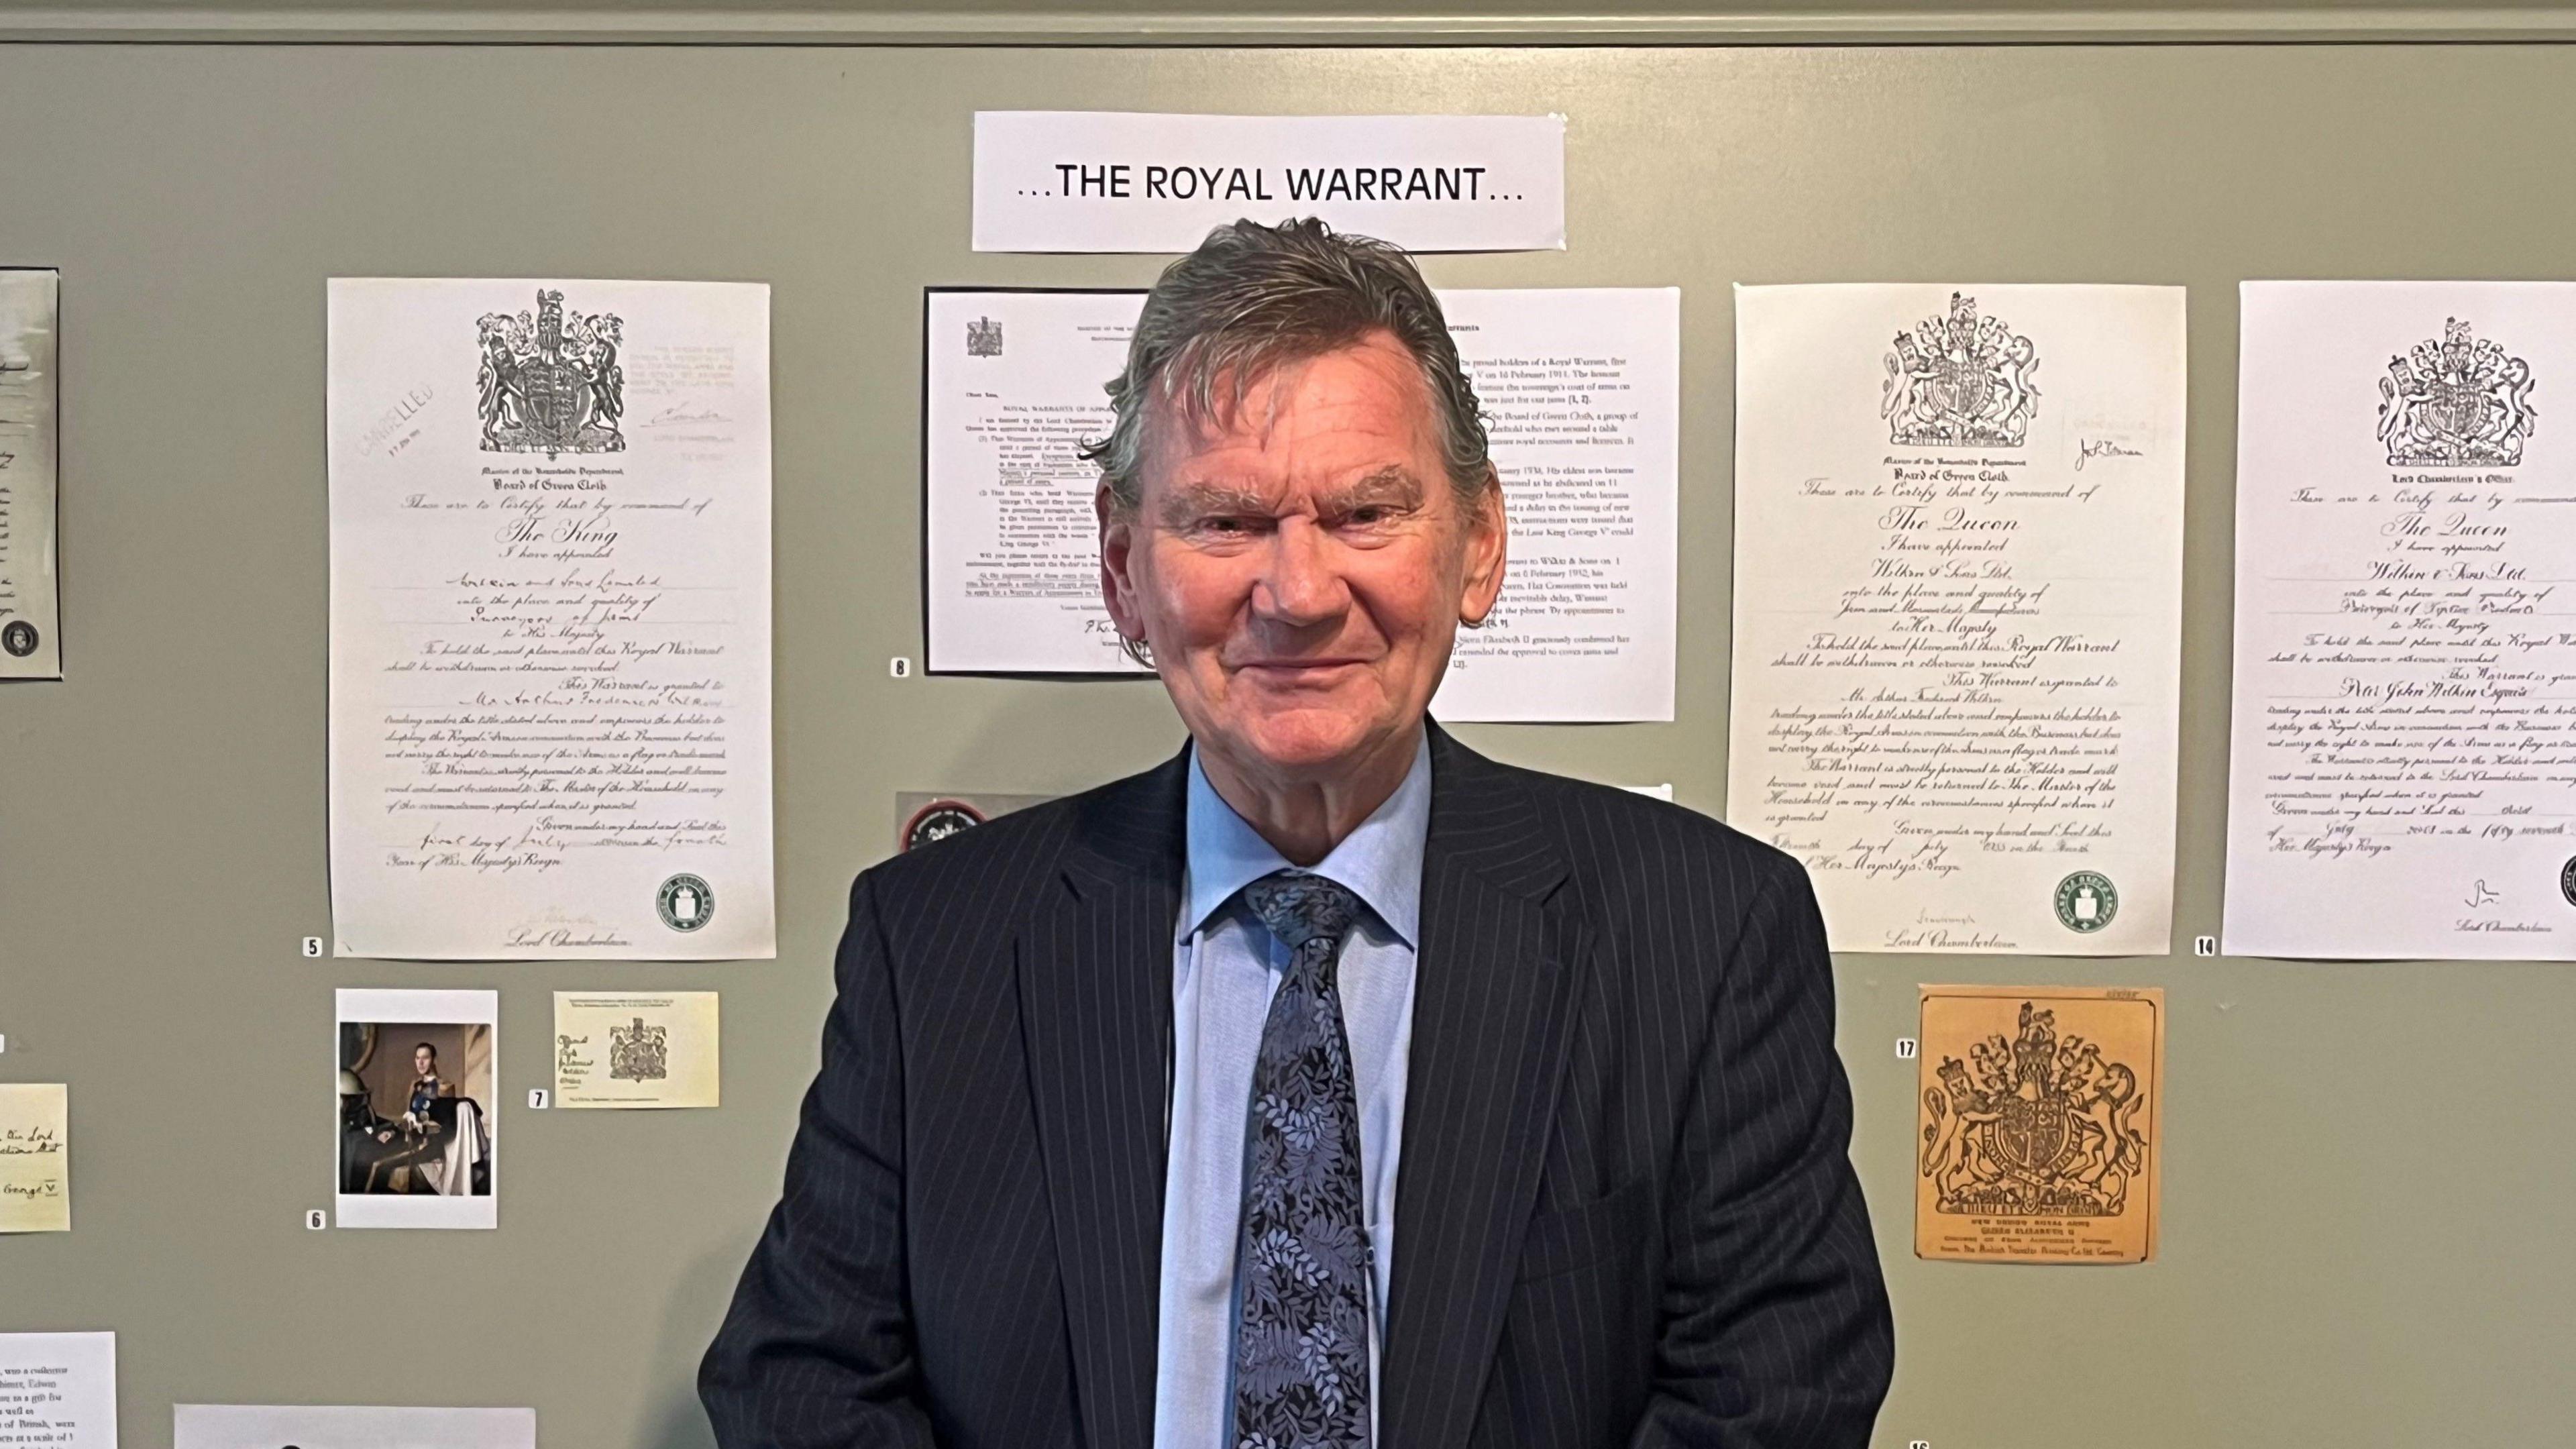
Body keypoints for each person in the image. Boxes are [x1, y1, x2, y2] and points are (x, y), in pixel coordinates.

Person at [701, 219, 1892, 1448]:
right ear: (1123, 573)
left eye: (1367, 512)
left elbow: (1776, 1398)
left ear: (1477, 549)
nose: (1301, 593)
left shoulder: (1702, 937)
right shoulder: (936, 944)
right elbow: (798, 1385)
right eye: (1224, 523)